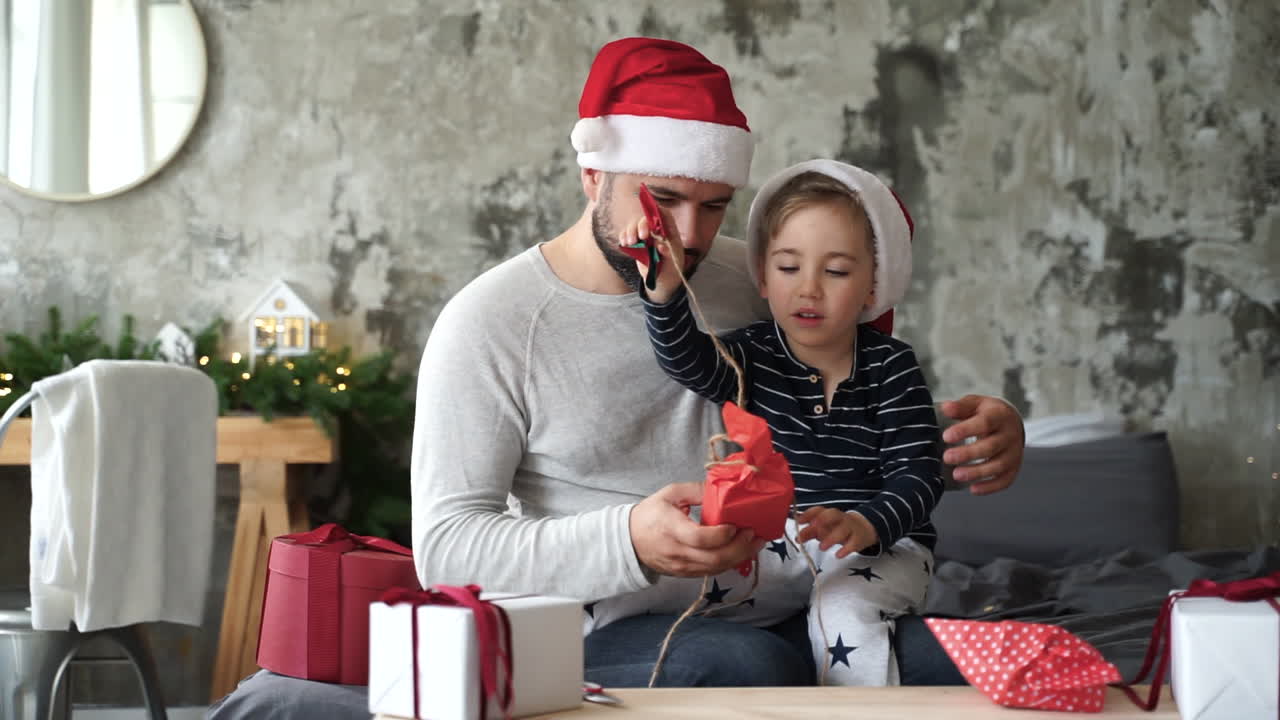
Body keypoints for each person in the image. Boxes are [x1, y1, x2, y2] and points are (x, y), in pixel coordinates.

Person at [207, 37, 1025, 718]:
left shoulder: (762, 276)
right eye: (665, 200)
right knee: (737, 668)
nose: (692, 234)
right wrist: (631, 539)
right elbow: (447, 550)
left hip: (801, 596)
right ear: (594, 175)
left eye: (715, 205)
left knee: (960, 666)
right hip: (615, 625)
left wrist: (994, 428)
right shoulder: (492, 324)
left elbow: (868, 381)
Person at [604, 158, 941, 686]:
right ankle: (588, 647)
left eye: (835, 272)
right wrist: (663, 292)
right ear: (762, 275)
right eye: (789, 268)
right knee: (683, 583)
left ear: (874, 286)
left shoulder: (890, 366)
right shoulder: (755, 354)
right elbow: (687, 361)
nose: (808, 289)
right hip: (786, 543)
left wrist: (867, 524)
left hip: (885, 547)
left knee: (844, 613)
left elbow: (920, 476)